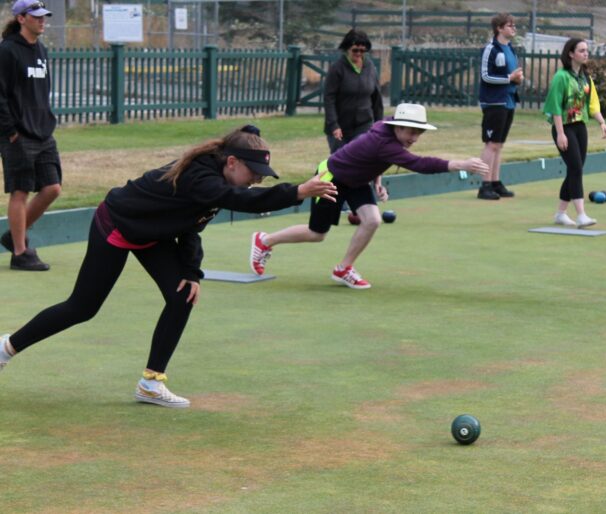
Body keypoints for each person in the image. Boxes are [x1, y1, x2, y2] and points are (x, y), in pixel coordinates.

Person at [0, 125, 337, 408]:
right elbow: (240, 201)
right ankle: (6, 347)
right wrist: (297, 191)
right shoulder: (202, 178)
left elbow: (192, 227)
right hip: (117, 224)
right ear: (232, 161)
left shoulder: (221, 181)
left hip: (154, 234)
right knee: (82, 308)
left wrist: (192, 273)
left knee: (182, 295)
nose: (255, 182)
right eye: (253, 174)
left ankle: (151, 383)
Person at [249, 103, 490, 290]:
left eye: (419, 133)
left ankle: (344, 269)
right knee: (317, 233)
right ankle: (265, 240)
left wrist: (377, 180)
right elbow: (419, 163)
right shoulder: (384, 142)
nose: (414, 139)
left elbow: (372, 159)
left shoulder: (389, 132)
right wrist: (461, 163)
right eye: (411, 132)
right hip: (330, 178)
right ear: (398, 126)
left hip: (356, 180)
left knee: (373, 219)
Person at [0, 0, 62, 270]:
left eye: (44, 16)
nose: (42, 20)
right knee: (20, 191)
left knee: (52, 188)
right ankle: (20, 253)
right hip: (18, 135)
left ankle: (13, 235)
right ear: (21, 19)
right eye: (36, 16)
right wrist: (10, 131)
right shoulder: (7, 51)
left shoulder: (41, 49)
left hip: (43, 134)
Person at [543, 38, 606, 228]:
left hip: (580, 127)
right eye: (581, 50)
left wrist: (602, 122)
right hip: (564, 127)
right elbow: (555, 107)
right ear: (571, 54)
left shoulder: (585, 78)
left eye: (586, 50)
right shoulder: (561, 77)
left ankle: (560, 214)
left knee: (575, 168)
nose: (585, 53)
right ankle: (581, 215)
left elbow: (592, 104)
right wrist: (561, 134)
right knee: (576, 168)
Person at [477, 12, 523, 200]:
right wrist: (509, 78)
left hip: (508, 100)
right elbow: (485, 76)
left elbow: (511, 76)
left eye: (514, 25)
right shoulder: (491, 49)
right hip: (494, 102)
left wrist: (517, 80)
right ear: (499, 28)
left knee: (499, 144)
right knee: (491, 144)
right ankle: (484, 185)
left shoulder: (510, 49)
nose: (514, 28)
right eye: (510, 25)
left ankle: (496, 182)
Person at [324, 29, 383, 154]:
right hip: (340, 126)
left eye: (362, 50)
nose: (359, 53)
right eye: (355, 50)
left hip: (364, 124)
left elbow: (376, 98)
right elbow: (329, 98)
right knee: (341, 161)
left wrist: (379, 125)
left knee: (360, 156)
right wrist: (334, 125)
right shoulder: (337, 68)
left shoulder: (370, 67)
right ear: (347, 48)